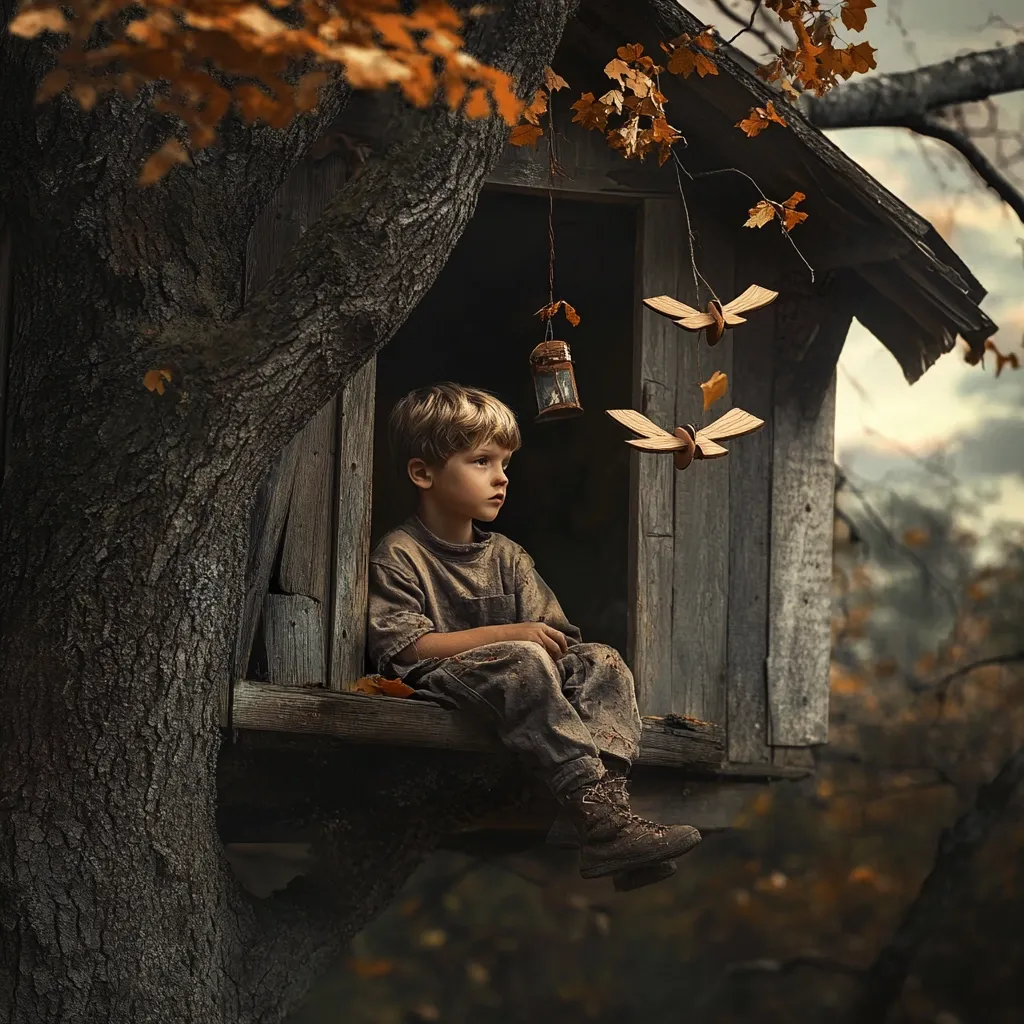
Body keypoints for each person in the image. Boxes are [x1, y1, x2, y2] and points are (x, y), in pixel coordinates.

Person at [367, 383, 700, 888]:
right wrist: (510, 634)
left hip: (524, 677)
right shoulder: (400, 554)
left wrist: (546, 648)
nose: (501, 478)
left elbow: (559, 643)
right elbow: (405, 648)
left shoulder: (508, 557)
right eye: (481, 461)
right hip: (439, 685)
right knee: (523, 656)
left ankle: (599, 811)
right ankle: (602, 823)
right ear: (423, 473)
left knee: (602, 659)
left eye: (505, 464)